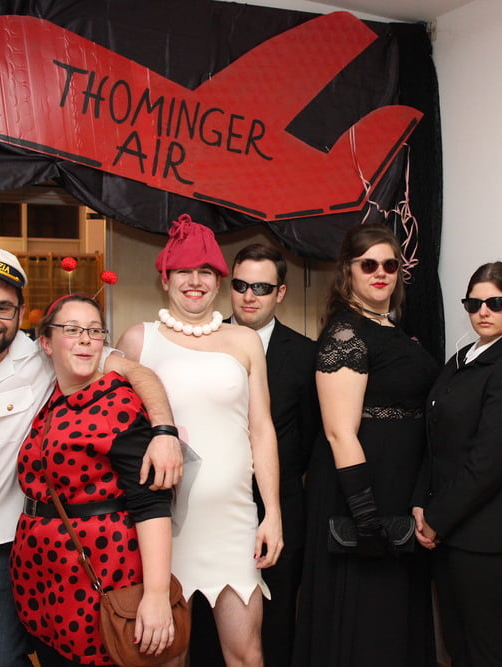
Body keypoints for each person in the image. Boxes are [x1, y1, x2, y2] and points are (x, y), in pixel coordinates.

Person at [0, 245, 183, 666]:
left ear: (20, 314)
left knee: (2, 658)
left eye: (3, 308)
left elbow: (135, 372)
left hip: (6, 542)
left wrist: (163, 431)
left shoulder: (40, 354)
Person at [116, 215, 283, 667]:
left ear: (218, 281)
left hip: (233, 520)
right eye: (184, 271)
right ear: (165, 278)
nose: (195, 281)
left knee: (246, 653)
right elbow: (118, 431)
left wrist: (272, 513)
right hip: (163, 526)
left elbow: (261, 429)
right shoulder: (139, 340)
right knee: (168, 656)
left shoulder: (244, 341)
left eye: (206, 271)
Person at [293, 223, 439, 667]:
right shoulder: (346, 334)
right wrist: (367, 516)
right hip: (359, 491)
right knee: (363, 615)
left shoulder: (392, 329)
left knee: (391, 615)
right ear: (348, 271)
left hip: (397, 487)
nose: (381, 273)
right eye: (369, 264)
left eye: (390, 265)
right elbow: (339, 432)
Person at [10, 294, 175, 665]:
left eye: (95, 330)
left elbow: (151, 503)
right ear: (46, 343)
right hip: (42, 578)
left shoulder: (119, 404)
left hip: (100, 572)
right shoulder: (49, 396)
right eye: (72, 330)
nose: (85, 339)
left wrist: (156, 595)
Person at [190, 243, 320, 667]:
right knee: (206, 621)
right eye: (241, 285)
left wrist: (278, 498)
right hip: (208, 508)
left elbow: (309, 438)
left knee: (276, 624)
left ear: (280, 293)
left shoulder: (305, 354)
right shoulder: (201, 342)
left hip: (277, 508)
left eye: (261, 288)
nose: (249, 296)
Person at [411, 261, 502, 667]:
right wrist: (421, 501)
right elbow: (434, 439)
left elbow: (489, 463)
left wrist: (437, 518)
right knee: (457, 644)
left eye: (495, 303)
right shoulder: (462, 358)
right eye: (473, 303)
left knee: (487, 649)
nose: (483, 312)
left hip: (490, 536)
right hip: (450, 528)